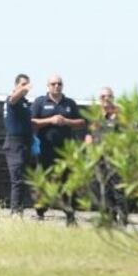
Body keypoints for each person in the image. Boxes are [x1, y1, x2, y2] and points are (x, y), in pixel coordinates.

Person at [30, 74, 87, 225]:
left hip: (65, 152)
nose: (57, 86)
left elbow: (81, 122)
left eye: (59, 84)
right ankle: (40, 212)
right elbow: (31, 121)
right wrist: (50, 120)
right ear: (48, 86)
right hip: (45, 150)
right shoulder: (40, 102)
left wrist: (66, 121)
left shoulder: (69, 103)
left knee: (66, 182)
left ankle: (69, 214)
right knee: (43, 181)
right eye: (53, 84)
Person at [86, 87, 128, 224]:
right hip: (99, 158)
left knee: (117, 188)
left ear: (113, 98)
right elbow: (91, 134)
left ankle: (122, 216)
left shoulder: (120, 116)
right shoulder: (96, 117)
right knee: (101, 188)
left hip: (115, 158)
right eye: (103, 97)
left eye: (109, 96)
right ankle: (110, 215)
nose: (106, 99)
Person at [2, 73, 34, 217]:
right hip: (15, 143)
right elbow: (13, 98)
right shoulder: (12, 100)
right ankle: (15, 211)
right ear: (16, 86)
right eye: (23, 84)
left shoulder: (26, 103)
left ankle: (20, 208)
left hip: (26, 142)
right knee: (17, 179)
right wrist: (22, 90)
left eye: (27, 84)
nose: (26, 88)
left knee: (24, 179)